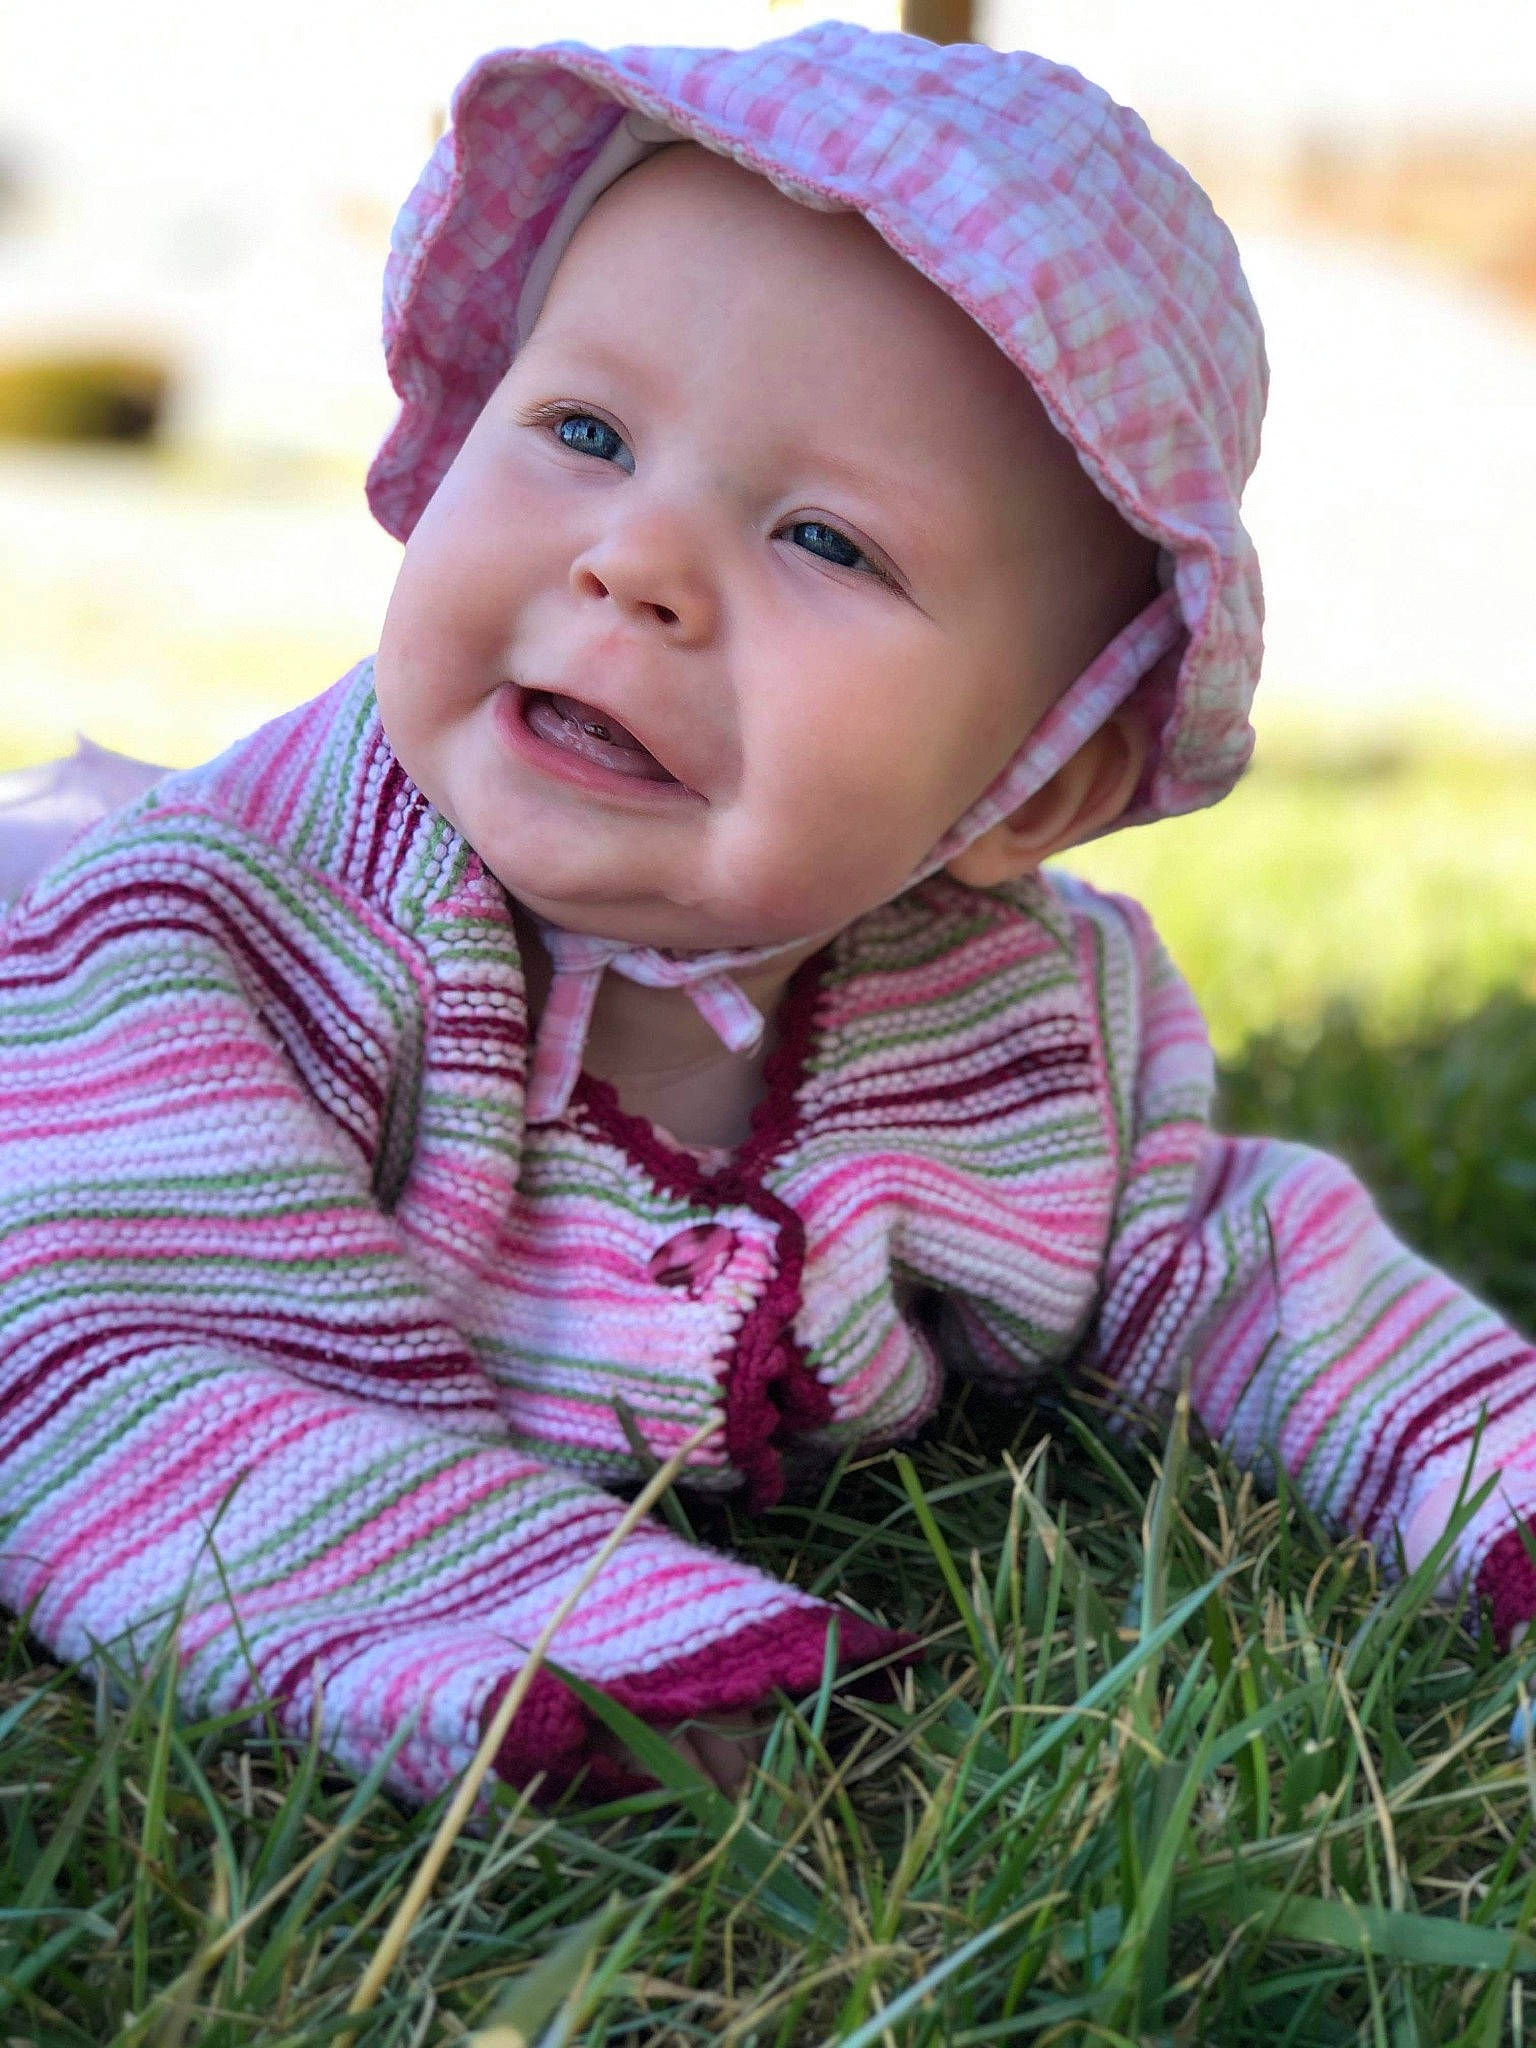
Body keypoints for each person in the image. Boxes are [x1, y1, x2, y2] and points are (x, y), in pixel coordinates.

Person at [3, 23, 1535, 1807]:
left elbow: (1241, 1267)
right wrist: (567, 1641)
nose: (636, 562)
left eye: (825, 541)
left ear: (1033, 784)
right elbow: (112, 1351)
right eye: (585, 431)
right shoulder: (210, 947)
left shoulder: (1027, 1035)